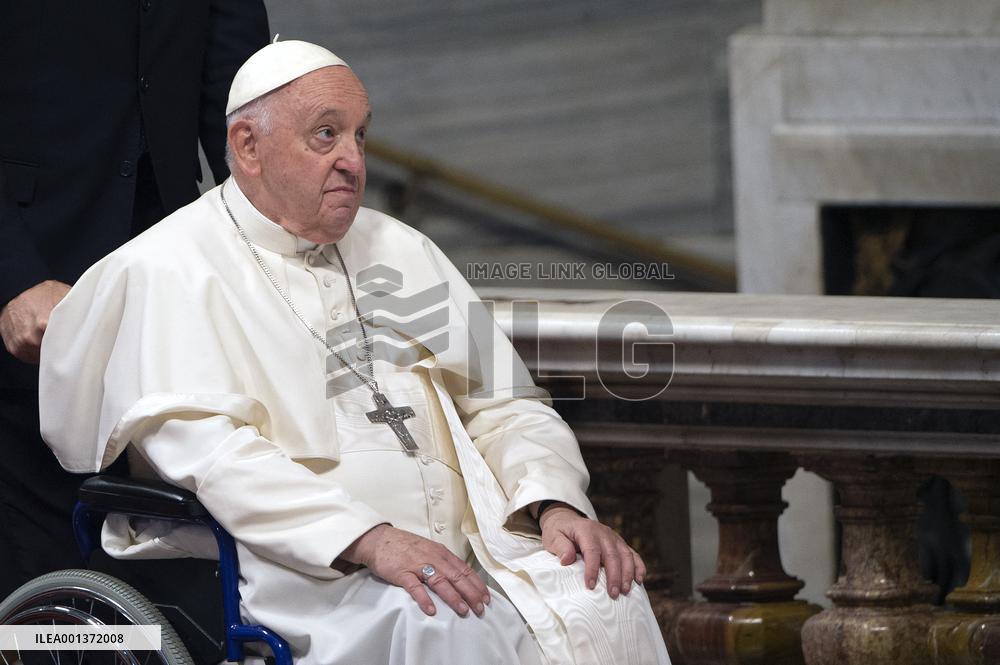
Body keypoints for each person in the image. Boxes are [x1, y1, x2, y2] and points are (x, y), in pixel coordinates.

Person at [38, 40, 671, 665]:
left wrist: (553, 503)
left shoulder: (401, 251)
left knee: (607, 593)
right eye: (325, 135)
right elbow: (215, 456)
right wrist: (367, 539)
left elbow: (503, 403)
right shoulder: (170, 269)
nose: (353, 161)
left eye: (360, 136)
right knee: (442, 624)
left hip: (474, 551)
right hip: (302, 575)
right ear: (247, 148)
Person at [0, 1, 269, 603]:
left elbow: (246, 98)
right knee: (44, 561)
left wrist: (272, 256)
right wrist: (13, 276)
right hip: (34, 266)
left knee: (171, 536)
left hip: (173, 267)